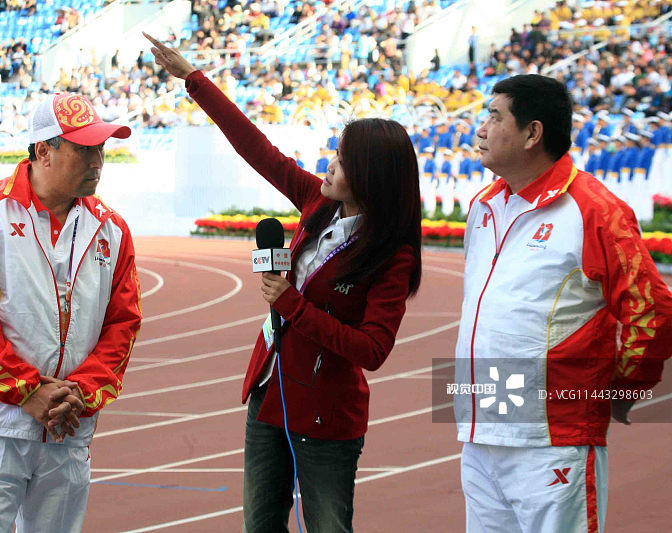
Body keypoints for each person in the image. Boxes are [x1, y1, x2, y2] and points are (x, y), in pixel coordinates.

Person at [145, 33, 422, 532]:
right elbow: (257, 148)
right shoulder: (318, 202)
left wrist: (292, 304)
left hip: (325, 415)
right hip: (268, 395)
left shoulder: (391, 255)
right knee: (260, 526)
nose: (328, 163)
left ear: (370, 176)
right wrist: (193, 79)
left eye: (341, 159)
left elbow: (373, 349)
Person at [454, 74, 672, 532]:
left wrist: (624, 389)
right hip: (481, 432)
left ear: (533, 133)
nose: (480, 128)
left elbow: (651, 306)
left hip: (554, 438)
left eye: (494, 117)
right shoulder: (485, 206)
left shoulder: (595, 209)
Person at [0, 92, 142, 532]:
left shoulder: (113, 229)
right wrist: (27, 391)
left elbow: (123, 324)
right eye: (84, 149)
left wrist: (80, 394)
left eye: (101, 148)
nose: (97, 160)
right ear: (44, 151)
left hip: (68, 427)